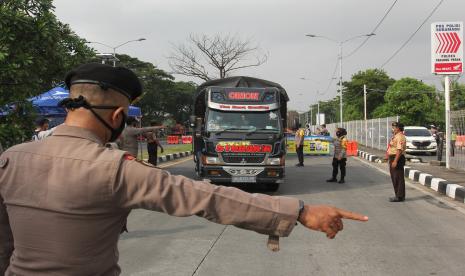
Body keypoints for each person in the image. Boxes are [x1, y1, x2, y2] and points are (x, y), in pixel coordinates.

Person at [0, 63, 368, 275]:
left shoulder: (9, 159)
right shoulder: (112, 168)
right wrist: (300, 211)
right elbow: (204, 197)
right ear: (116, 117)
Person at [386, 122, 407, 202]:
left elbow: (399, 150)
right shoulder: (396, 136)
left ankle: (400, 196)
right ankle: (398, 195)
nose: (393, 129)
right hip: (393, 157)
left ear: (398, 128)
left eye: (394, 127)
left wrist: (395, 161)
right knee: (394, 177)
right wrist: (388, 156)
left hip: (397, 158)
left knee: (398, 177)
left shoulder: (400, 137)